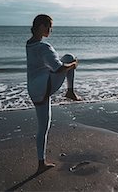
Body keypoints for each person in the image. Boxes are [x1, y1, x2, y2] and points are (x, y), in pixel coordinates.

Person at [26, 14, 81, 173]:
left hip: (34, 90)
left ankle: (41, 163)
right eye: (49, 26)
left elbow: (44, 65)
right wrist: (74, 64)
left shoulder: (29, 44)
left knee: (43, 128)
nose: (51, 29)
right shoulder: (44, 47)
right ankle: (70, 91)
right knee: (69, 58)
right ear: (42, 27)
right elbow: (58, 68)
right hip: (45, 87)